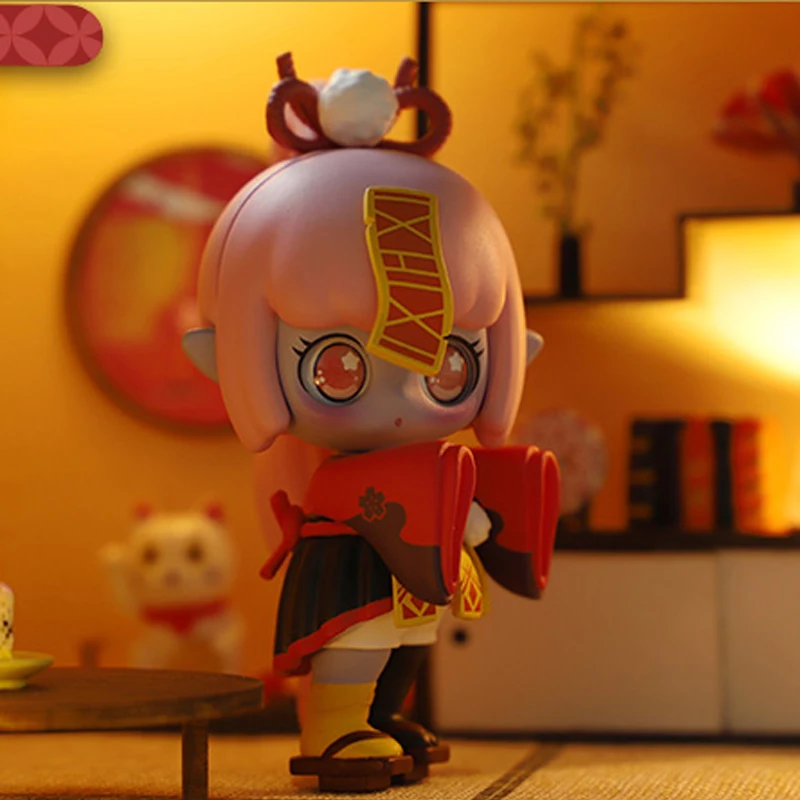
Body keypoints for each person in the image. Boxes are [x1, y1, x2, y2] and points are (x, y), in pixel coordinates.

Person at [183, 52, 560, 793]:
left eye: (449, 366)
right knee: (354, 641)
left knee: (407, 640)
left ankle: (382, 717)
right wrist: (466, 522)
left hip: (407, 571)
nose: (405, 397)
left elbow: (442, 503)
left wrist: (474, 518)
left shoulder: (431, 461)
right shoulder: (333, 480)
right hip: (348, 565)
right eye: (337, 366)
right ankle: (335, 725)